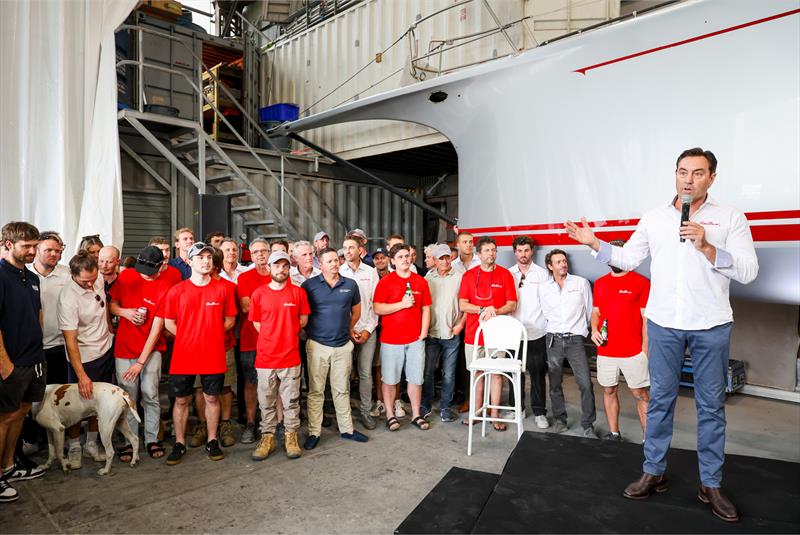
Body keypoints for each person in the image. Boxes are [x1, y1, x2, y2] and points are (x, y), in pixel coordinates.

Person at [565, 148, 758, 522]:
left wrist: (708, 246)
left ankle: (710, 484)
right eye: (683, 172)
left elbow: (749, 271)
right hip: (664, 324)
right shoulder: (654, 218)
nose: (688, 179)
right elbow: (627, 259)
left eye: (698, 173)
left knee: (711, 407)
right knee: (660, 402)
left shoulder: (730, 217)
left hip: (711, 325)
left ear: (712, 178)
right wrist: (594, 243)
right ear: (675, 175)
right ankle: (654, 472)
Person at [160, 243, 237, 465]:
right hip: (184, 354)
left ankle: (212, 440)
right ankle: (180, 443)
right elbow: (169, 322)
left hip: (213, 353)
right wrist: (189, 337)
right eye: (200, 257)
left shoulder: (222, 289)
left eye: (209, 257)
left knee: (212, 397)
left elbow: (230, 320)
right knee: (181, 400)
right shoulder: (177, 291)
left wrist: (211, 335)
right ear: (190, 261)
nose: (205, 261)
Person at [110, 246, 173, 461]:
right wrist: (125, 313)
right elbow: (112, 305)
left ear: (161, 266)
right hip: (124, 347)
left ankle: (151, 438)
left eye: (149, 271)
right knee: (128, 396)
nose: (144, 274)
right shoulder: (127, 276)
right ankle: (130, 440)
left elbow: (156, 330)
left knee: (150, 393)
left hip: (151, 349)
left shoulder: (165, 287)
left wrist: (140, 362)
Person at [0, 222, 46, 502]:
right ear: (8, 244)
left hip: (34, 359)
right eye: (26, 246)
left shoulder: (31, 277)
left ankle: (8, 466)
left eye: (34, 246)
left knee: (21, 412)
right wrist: (5, 364)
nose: (32, 251)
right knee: (4, 417)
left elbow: (36, 314)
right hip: (11, 362)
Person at [302, 248, 367, 449]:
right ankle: (314, 432)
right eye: (329, 261)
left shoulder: (350, 284)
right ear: (320, 265)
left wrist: (347, 329)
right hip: (318, 346)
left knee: (342, 390)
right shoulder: (309, 286)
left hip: (342, 346)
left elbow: (356, 312)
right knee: (316, 391)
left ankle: (347, 429)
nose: (334, 264)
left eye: (336, 260)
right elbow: (303, 315)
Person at [249, 251, 310, 460]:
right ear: (269, 268)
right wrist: (272, 336)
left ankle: (291, 437)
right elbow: (257, 323)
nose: (281, 269)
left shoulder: (298, 293)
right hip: (265, 358)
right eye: (277, 265)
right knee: (266, 401)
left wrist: (286, 333)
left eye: (285, 266)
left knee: (291, 401)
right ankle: (267, 438)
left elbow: (303, 320)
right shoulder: (259, 294)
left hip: (290, 357)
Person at [58, 251, 116, 467]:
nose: (91, 284)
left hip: (105, 349)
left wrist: (110, 330)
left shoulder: (96, 278)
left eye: (93, 279)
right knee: (77, 405)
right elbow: (70, 341)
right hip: (83, 357)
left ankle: (91, 443)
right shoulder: (68, 298)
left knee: (97, 402)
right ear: (73, 275)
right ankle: (74, 445)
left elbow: (104, 306)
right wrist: (81, 375)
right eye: (85, 281)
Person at [590, 240, 651, 442]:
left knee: (640, 393)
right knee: (609, 390)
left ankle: (649, 439)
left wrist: (645, 349)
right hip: (606, 350)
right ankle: (614, 434)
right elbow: (596, 312)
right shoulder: (600, 283)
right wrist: (594, 330)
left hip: (633, 351)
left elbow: (646, 319)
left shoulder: (641, 283)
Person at [458, 236, 517, 429]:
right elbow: (463, 304)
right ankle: (476, 413)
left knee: (496, 374)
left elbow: (512, 304)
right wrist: (483, 310)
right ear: (479, 254)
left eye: (494, 250)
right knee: (477, 374)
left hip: (499, 335)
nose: (491, 254)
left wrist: (495, 311)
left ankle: (494, 414)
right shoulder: (469, 276)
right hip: (473, 334)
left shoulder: (505, 275)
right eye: (487, 250)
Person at [373, 243, 432, 432]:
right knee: (390, 379)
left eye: (407, 256)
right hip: (391, 340)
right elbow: (378, 308)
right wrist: (402, 304)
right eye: (400, 257)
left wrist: (423, 333)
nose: (405, 259)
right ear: (392, 261)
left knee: (416, 379)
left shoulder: (420, 281)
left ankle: (416, 414)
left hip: (415, 339)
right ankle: (390, 415)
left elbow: (426, 308)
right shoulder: (386, 282)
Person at [538, 248, 596, 437]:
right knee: (555, 383)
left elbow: (590, 311)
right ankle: (560, 420)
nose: (563, 264)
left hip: (575, 340)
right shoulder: (544, 288)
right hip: (553, 340)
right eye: (558, 262)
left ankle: (588, 425)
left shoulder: (580, 283)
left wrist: (582, 331)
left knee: (585, 383)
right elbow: (544, 313)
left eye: (564, 261)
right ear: (550, 266)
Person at [509, 236, 550, 429]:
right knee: (515, 373)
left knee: (537, 373)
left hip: (537, 332)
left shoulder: (542, 274)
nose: (523, 254)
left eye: (526, 250)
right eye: (519, 251)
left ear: (532, 251)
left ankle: (540, 412)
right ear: (515, 252)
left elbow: (548, 303)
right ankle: (516, 408)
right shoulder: (509, 274)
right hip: (514, 333)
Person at [422, 244, 465, 423]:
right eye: (441, 258)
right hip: (432, 333)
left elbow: (466, 303)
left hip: (451, 333)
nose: (446, 261)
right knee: (428, 371)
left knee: (449, 373)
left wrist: (460, 324)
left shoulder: (459, 277)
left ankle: (445, 407)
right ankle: (425, 404)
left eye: (448, 257)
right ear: (435, 260)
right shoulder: (427, 278)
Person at [340, 236, 380, 430]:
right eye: (345, 248)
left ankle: (365, 410)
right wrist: (349, 329)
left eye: (351, 247)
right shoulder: (339, 272)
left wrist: (367, 329)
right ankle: (344, 412)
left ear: (360, 250)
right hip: (345, 331)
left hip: (367, 330)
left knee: (365, 373)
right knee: (345, 374)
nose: (347, 251)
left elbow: (375, 304)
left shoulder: (371, 272)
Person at [236, 238, 272, 444]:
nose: (260, 254)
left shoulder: (278, 274)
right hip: (251, 340)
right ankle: (251, 423)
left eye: (264, 250)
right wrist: (274, 307)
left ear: (269, 253)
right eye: (256, 251)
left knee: (275, 384)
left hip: (275, 341)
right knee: (250, 382)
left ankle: (273, 422)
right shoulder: (245, 278)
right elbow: (246, 307)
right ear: (251, 255)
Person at [30, 231, 70, 385]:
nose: (54, 254)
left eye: (58, 250)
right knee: (35, 393)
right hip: (33, 347)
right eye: (49, 250)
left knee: (59, 392)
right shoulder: (25, 275)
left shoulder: (68, 275)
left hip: (60, 346)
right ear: (36, 249)